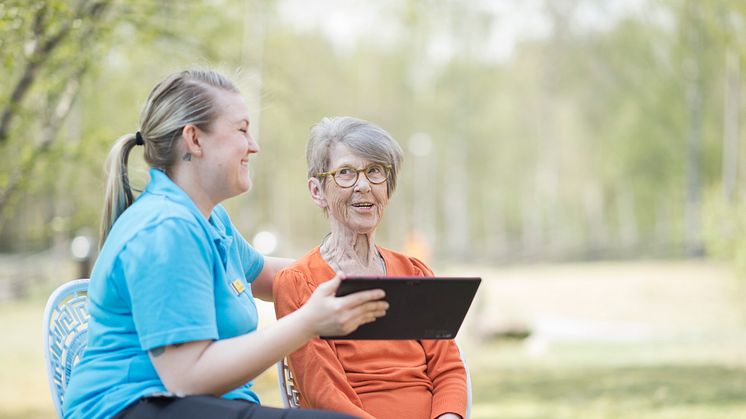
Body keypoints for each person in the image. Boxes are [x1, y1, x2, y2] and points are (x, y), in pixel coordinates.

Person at [62, 70, 389, 419]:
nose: (254, 145)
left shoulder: (209, 220)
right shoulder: (165, 228)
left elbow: (273, 275)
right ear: (195, 140)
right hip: (134, 407)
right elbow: (188, 377)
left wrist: (361, 275)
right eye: (242, 130)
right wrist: (309, 322)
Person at [273, 117, 468, 419]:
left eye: (375, 171)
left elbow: (449, 369)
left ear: (388, 188)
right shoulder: (298, 283)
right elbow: (323, 393)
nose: (363, 185)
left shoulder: (414, 273)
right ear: (317, 191)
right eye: (346, 173)